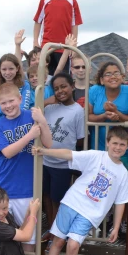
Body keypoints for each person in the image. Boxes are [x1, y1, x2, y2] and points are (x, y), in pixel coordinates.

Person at [34, 128, 128, 255]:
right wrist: (44, 151)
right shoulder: (96, 156)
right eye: (115, 143)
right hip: (72, 202)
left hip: (91, 213)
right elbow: (69, 154)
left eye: (122, 144)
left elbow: (121, 201)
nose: (118, 147)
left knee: (73, 244)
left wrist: (115, 227)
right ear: (107, 142)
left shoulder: (123, 173)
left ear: (127, 147)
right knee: (57, 241)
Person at [0, 84, 53, 255]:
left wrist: (42, 122)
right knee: (6, 235)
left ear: (20, 99)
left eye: (11, 101)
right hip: (5, 187)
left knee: (29, 236)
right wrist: (29, 136)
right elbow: (8, 152)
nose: (8, 106)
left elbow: (48, 143)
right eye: (3, 103)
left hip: (28, 188)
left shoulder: (31, 116)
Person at [42, 73, 85, 227]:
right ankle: (50, 224)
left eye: (63, 86)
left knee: (58, 198)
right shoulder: (49, 108)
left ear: (72, 86)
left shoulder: (78, 111)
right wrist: (47, 101)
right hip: (45, 160)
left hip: (62, 164)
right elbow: (32, 108)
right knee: (45, 195)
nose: (60, 91)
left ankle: (56, 228)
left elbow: (80, 138)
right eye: (56, 88)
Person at [33, 0, 83, 76]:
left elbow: (75, 24)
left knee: (63, 76)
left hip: (65, 48)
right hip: (47, 45)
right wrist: (35, 41)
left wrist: (73, 46)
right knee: (46, 76)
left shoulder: (72, 1)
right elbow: (38, 21)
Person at [87, 60, 128, 152]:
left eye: (116, 73)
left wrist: (117, 113)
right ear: (101, 80)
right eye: (108, 74)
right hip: (98, 147)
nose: (113, 77)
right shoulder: (94, 90)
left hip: (123, 149)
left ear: (122, 77)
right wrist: (104, 116)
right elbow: (88, 116)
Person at [0, 53, 35, 123]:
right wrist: (4, 109)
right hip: (4, 129)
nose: (7, 72)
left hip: (22, 125)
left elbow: (22, 109)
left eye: (11, 69)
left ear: (17, 68)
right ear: (0, 70)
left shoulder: (24, 85)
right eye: (4, 69)